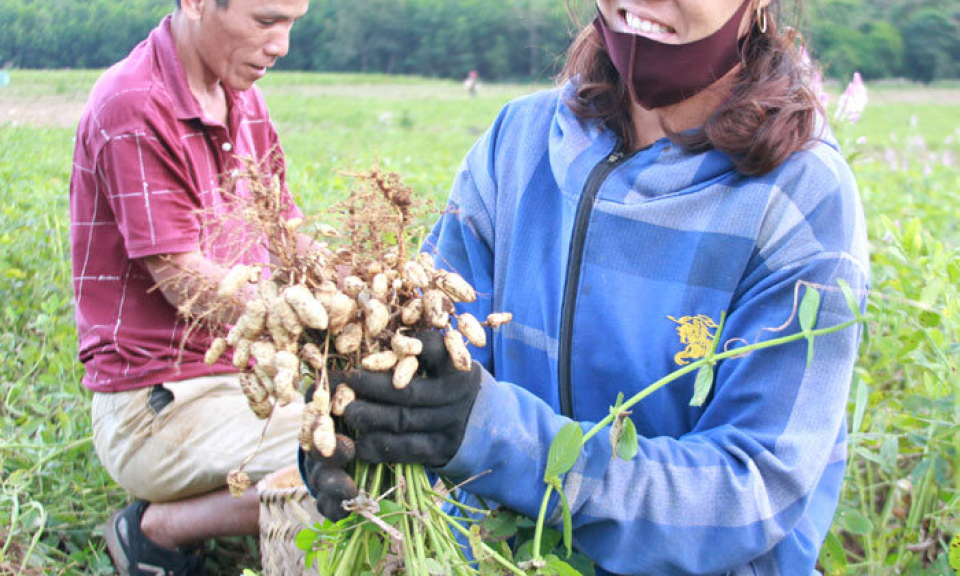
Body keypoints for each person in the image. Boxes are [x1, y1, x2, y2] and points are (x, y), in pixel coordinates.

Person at [303, 0, 869, 575]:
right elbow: (433, 361)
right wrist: (369, 432)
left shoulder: (799, 198)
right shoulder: (517, 145)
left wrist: (499, 436)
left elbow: (748, 495)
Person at [69, 0, 309, 574]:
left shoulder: (242, 96)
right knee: (338, 455)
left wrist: (366, 285)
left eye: (293, 24)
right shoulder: (135, 105)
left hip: (240, 380)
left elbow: (287, 234)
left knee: (378, 430)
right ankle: (158, 529)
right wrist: (309, 315)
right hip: (156, 407)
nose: (282, 46)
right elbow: (187, 284)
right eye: (266, 21)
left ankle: (224, 510)